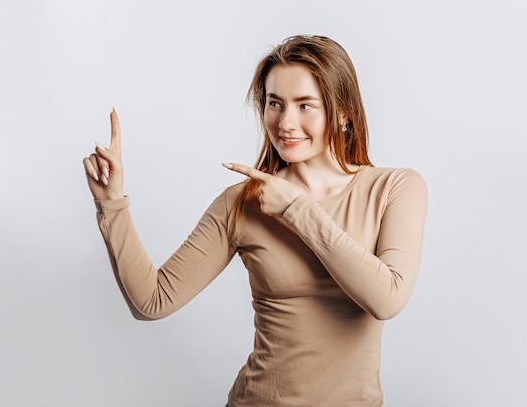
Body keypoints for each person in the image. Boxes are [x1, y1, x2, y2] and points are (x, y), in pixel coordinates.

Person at [83, 35, 428, 407]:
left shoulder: (395, 188)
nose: (286, 122)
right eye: (275, 103)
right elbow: (152, 301)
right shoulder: (242, 203)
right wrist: (112, 204)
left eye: (305, 105)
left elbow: (387, 299)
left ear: (343, 113)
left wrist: (298, 208)